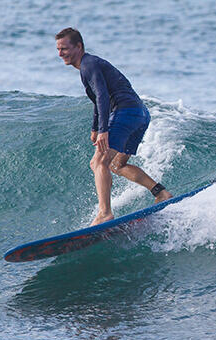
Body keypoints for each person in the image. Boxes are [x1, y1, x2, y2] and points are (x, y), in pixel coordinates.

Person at [55, 27, 172, 226]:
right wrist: (95, 127)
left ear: (78, 46)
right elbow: (98, 99)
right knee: (117, 165)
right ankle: (161, 193)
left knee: (98, 163)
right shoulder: (90, 64)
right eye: (58, 49)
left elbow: (102, 96)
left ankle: (105, 213)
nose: (60, 54)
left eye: (64, 48)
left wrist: (103, 131)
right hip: (140, 114)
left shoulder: (88, 65)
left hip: (125, 113)